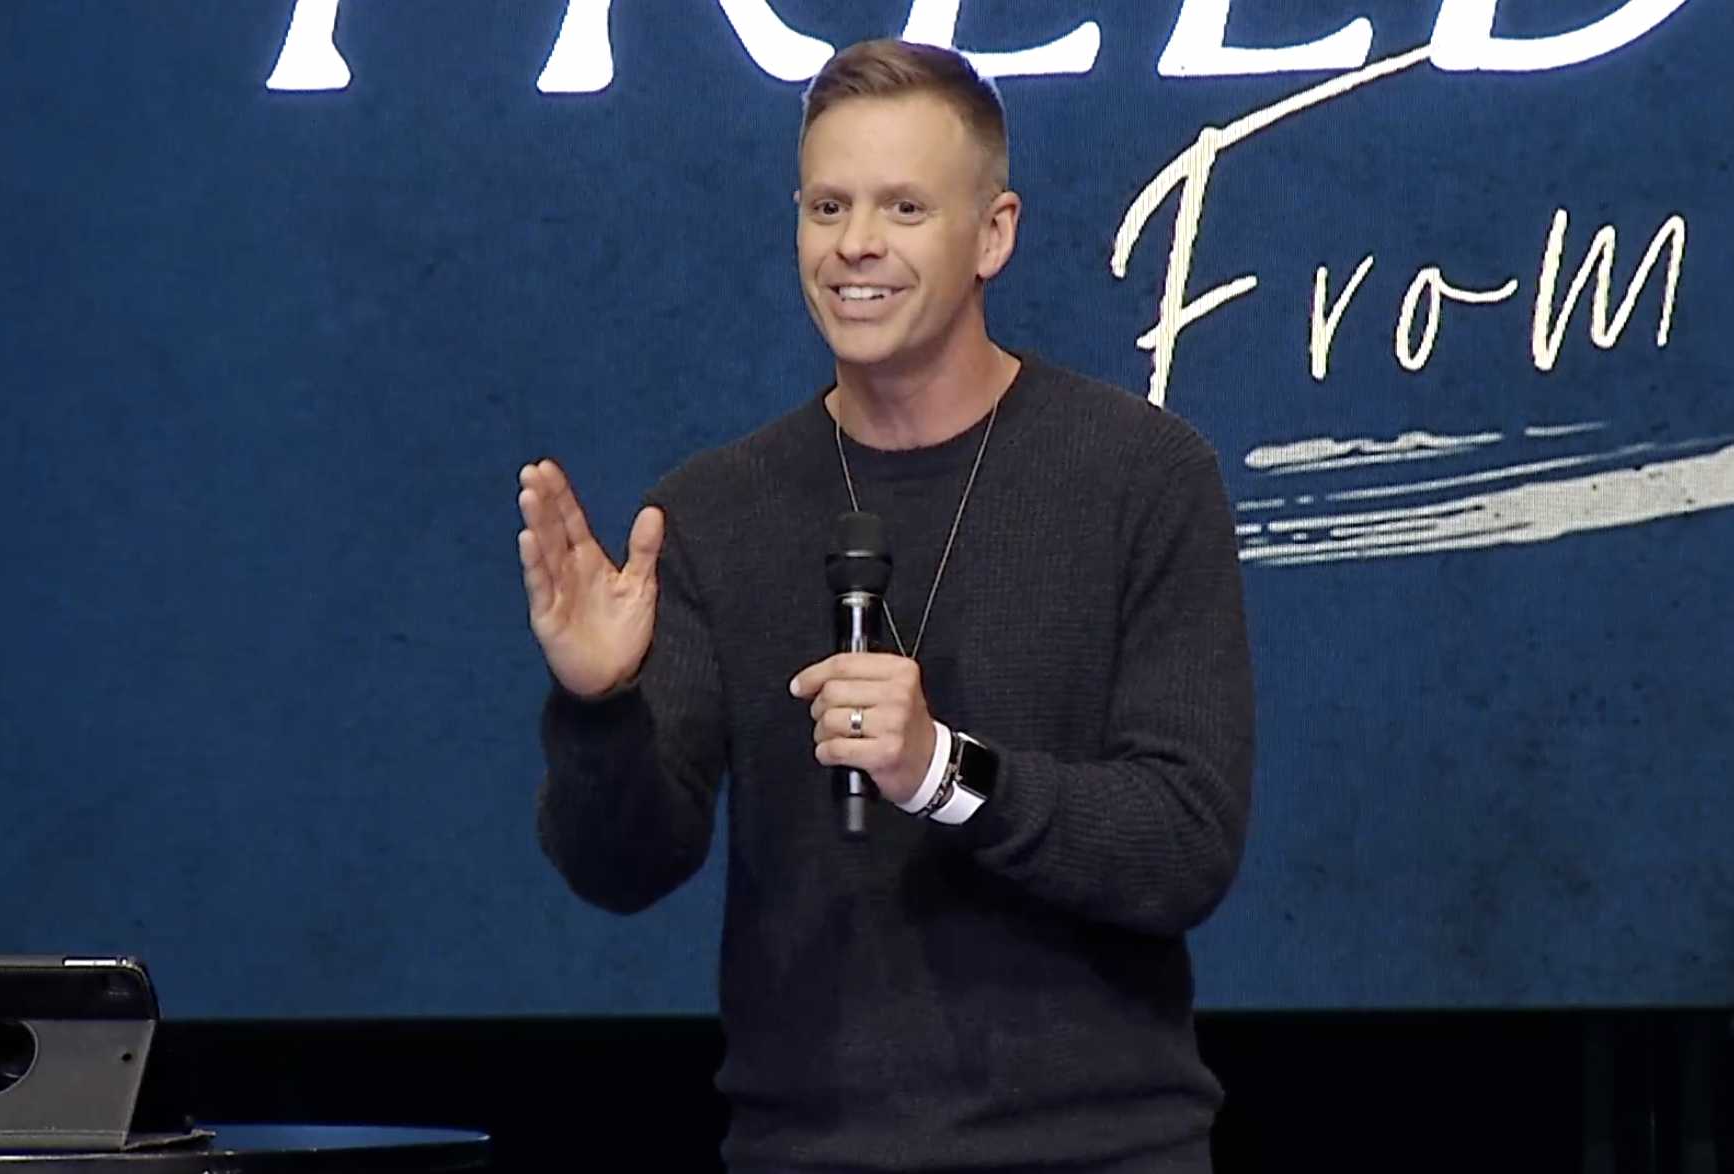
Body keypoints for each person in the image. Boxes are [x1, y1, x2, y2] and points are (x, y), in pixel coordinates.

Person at [516, 38, 1254, 1174]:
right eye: (828, 206)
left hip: (1100, 1147)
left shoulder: (1141, 476)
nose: (855, 243)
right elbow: (624, 868)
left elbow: (1186, 843)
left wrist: (944, 773)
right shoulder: (714, 511)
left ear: (993, 234)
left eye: (905, 207)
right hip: (809, 1150)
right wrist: (601, 706)